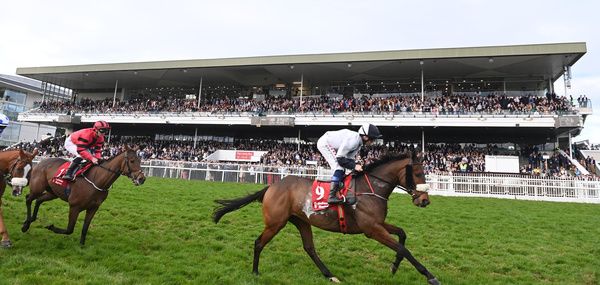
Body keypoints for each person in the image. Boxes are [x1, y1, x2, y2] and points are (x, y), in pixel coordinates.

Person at [317, 123, 382, 204]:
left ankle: (340, 188)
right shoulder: (354, 141)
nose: (373, 142)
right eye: (372, 139)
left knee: (343, 168)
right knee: (339, 167)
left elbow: (348, 159)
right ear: (365, 137)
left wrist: (357, 164)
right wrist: (355, 166)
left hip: (331, 144)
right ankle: (331, 196)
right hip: (325, 143)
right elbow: (340, 159)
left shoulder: (358, 143)